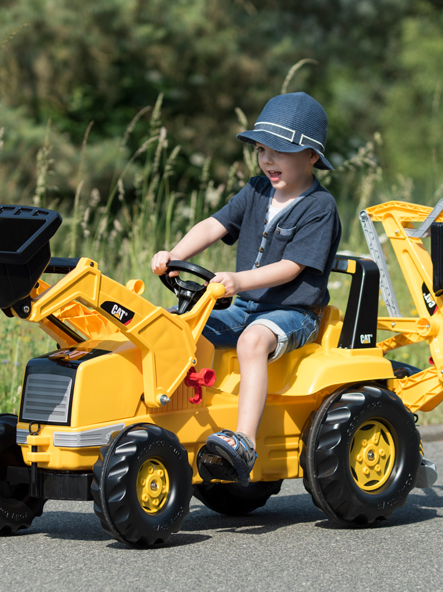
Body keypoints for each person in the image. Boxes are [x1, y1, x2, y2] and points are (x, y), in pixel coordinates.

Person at [151, 92, 342, 486]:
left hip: (293, 314)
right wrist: (174, 253)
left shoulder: (319, 207)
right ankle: (172, 419)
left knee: (252, 342)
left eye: (279, 152)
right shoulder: (256, 190)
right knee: (177, 328)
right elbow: (212, 226)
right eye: (261, 150)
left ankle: (245, 442)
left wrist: (239, 281)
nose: (267, 160)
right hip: (245, 307)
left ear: (311, 156)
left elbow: (292, 268)